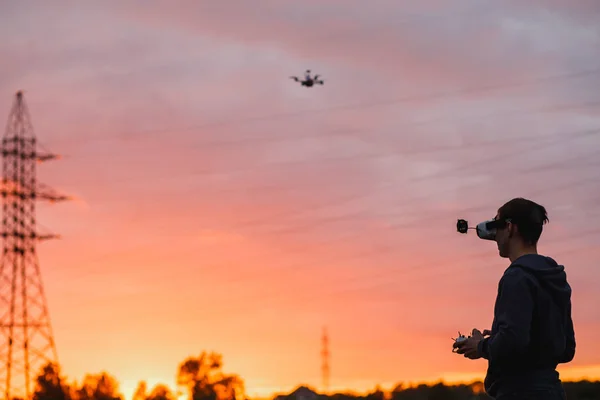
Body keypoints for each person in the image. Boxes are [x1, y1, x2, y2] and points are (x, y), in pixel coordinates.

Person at [453, 198, 576, 399]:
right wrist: (500, 337)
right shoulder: (556, 279)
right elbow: (567, 349)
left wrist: (481, 346)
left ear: (509, 228)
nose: (495, 234)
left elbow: (513, 342)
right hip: (553, 391)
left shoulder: (516, 277)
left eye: (498, 225)